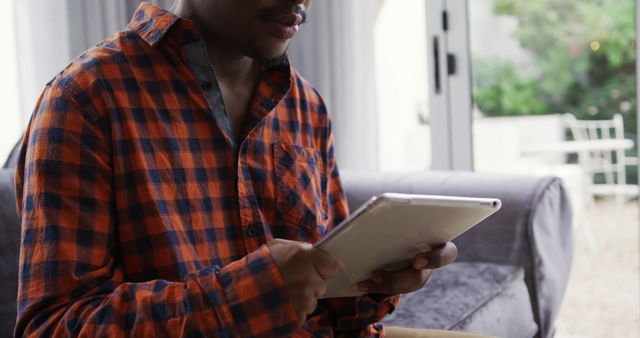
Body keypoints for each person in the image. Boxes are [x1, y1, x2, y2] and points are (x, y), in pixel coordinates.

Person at [13, 1, 474, 337]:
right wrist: (247, 298)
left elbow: (335, 303)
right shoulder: (85, 100)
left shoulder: (305, 106)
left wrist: (379, 275)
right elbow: (52, 326)